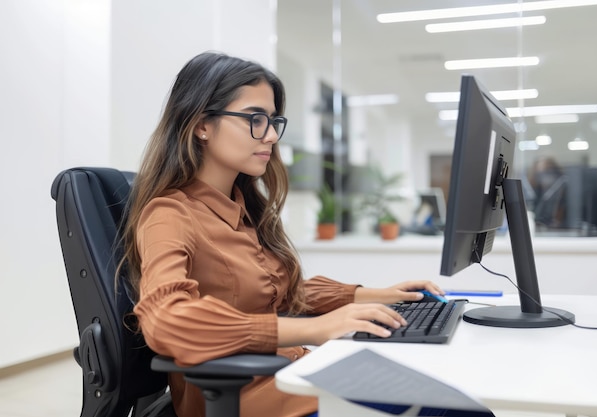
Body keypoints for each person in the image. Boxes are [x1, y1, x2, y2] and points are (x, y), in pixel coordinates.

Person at [118, 51, 478, 417]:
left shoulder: (242, 211)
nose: (272, 135)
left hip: (288, 372)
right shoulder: (169, 213)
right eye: (255, 119)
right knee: (450, 408)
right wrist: (313, 330)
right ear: (202, 125)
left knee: (455, 394)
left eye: (274, 121)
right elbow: (166, 319)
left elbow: (276, 293)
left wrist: (377, 296)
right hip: (240, 395)